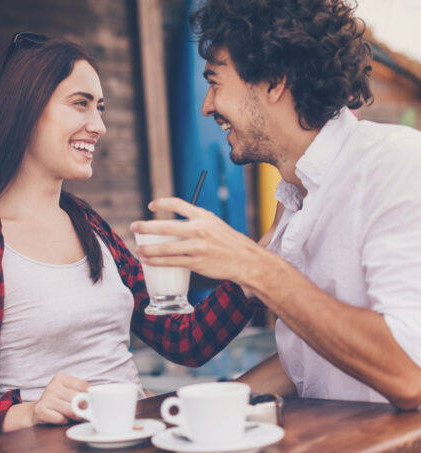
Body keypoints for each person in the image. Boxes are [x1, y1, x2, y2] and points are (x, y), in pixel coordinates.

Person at [0, 33, 257, 452]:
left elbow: (184, 342)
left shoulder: (90, 226)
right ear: (24, 111)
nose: (98, 125)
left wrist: (256, 271)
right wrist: (24, 413)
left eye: (100, 108)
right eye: (81, 104)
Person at [132, 0, 421, 410]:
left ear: (274, 81)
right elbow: (315, 356)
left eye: (215, 82)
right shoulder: (293, 200)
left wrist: (253, 265)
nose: (207, 105)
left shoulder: (396, 166)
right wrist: (188, 408)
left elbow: (410, 374)